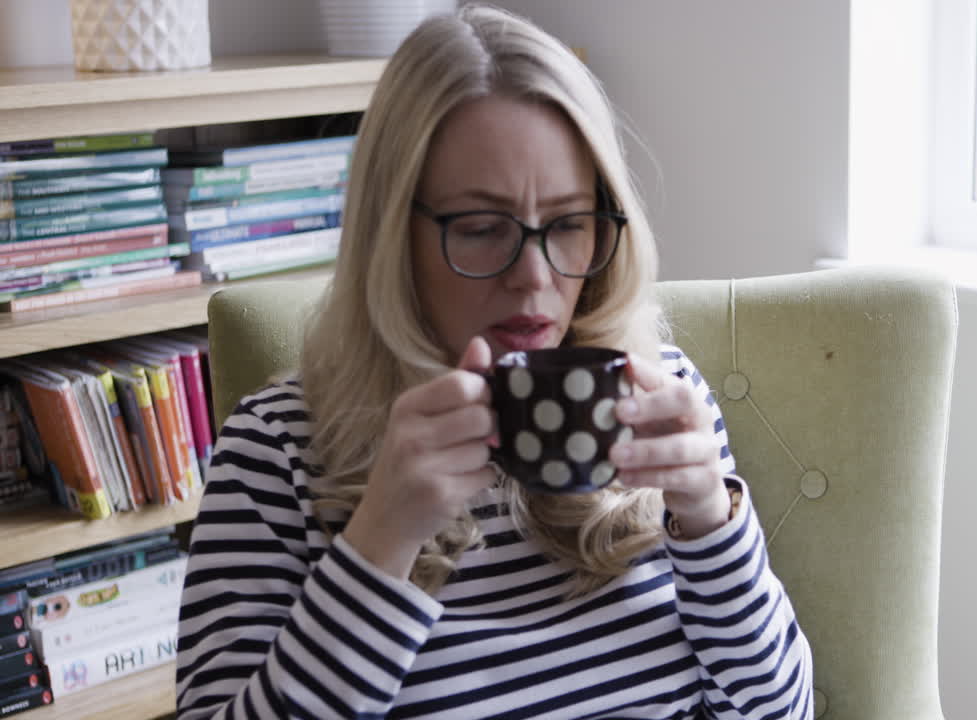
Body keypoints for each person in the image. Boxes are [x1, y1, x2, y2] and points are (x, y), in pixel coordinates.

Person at [176, 5, 813, 718]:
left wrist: (709, 519)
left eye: (570, 225)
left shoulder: (659, 398)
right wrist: (383, 536)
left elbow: (778, 710)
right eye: (482, 229)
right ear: (393, 235)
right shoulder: (275, 451)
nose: (536, 277)